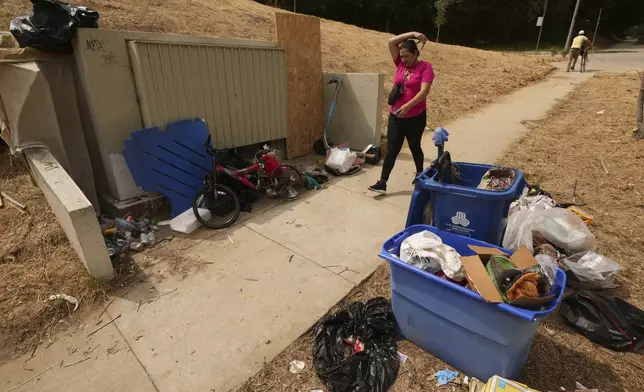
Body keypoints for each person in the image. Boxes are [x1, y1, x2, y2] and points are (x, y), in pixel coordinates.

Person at [368, 31, 434, 194]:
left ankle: (420, 173)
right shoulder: (400, 64)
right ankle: (382, 182)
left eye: (406, 56)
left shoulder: (425, 67)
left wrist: (408, 106)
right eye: (401, 56)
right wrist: (412, 33)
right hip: (396, 116)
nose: (402, 59)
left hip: (415, 116)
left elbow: (424, 91)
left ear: (415, 54)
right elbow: (391, 42)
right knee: (392, 149)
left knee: (414, 146)